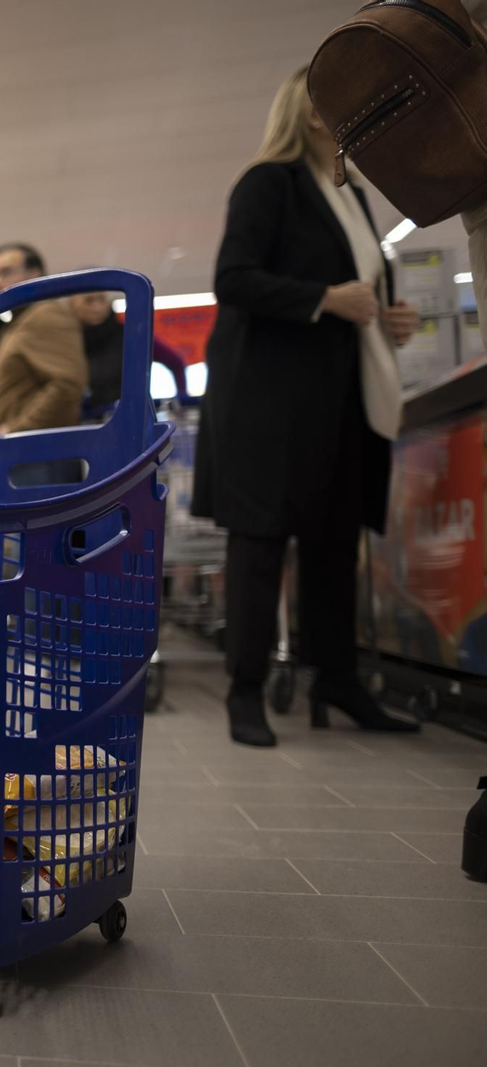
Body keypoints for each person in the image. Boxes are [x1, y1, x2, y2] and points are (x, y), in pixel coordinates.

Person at [193, 66, 420, 747]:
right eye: (348, 102)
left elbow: (361, 291)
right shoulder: (270, 182)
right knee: (261, 545)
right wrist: (324, 298)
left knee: (332, 542)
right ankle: (245, 691)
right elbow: (233, 279)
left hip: (338, 401)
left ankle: (338, 680)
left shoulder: (352, 196)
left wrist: (386, 317)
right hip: (270, 404)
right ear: (316, 115)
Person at [0, 243, 89, 436]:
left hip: (39, 452)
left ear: (35, 273)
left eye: (6, 272)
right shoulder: (19, 321)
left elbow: (67, 385)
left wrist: (16, 430)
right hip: (27, 450)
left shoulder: (46, 315)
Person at [71, 291, 192, 417]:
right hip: (89, 421)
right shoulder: (69, 341)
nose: (97, 307)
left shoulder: (132, 334)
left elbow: (175, 362)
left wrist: (181, 397)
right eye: (89, 301)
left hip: (131, 418)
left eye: (102, 300)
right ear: (73, 304)